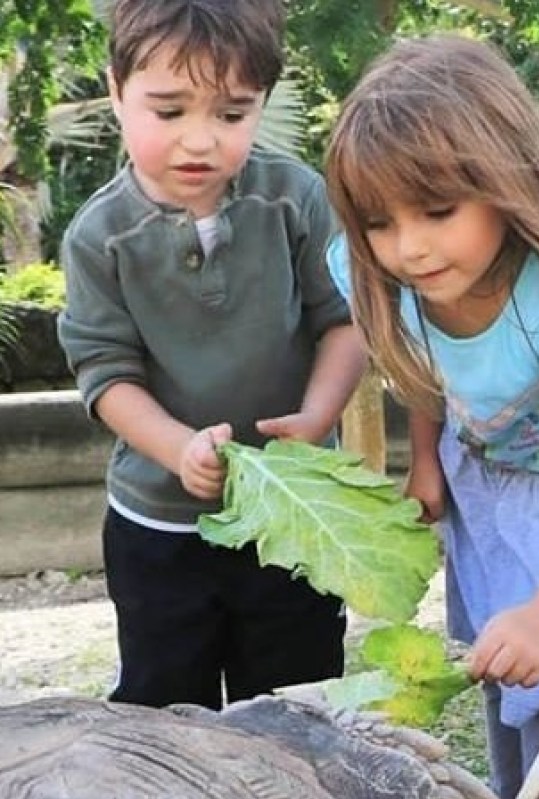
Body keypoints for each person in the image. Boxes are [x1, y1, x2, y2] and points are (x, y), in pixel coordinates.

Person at [323, 35, 539, 799]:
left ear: (507, 182)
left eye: (439, 211)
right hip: (485, 455)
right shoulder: (378, 271)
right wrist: (425, 460)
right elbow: (421, 362)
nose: (409, 247)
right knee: (493, 648)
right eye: (381, 221)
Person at [56, 0, 367, 711]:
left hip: (292, 514)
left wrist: (318, 416)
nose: (201, 141)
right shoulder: (97, 236)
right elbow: (106, 375)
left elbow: (345, 323)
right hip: (160, 524)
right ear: (116, 89)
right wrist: (178, 449)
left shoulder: (296, 199)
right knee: (167, 707)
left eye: (232, 114)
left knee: (299, 703)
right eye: (169, 112)